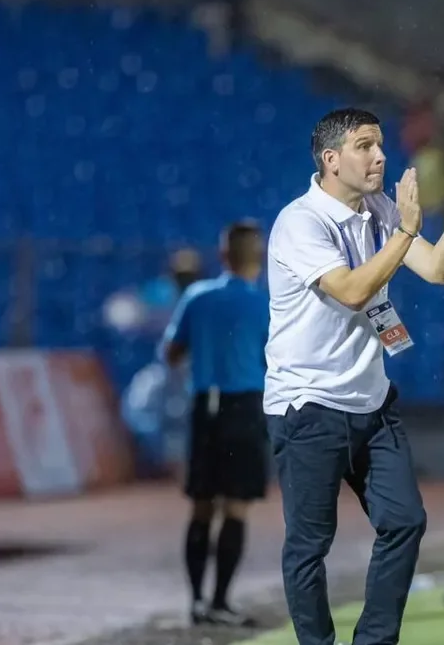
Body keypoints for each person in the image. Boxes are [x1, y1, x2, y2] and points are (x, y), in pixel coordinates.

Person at [264, 107, 444, 645]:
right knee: (310, 544)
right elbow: (351, 290)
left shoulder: (379, 209)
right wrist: (406, 232)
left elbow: (438, 270)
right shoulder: (300, 221)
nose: (380, 156)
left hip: (371, 404)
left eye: (379, 145)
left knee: (405, 522)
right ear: (331, 160)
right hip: (308, 405)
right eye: (365, 146)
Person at [160, 220, 270, 627]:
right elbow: (277, 358)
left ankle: (196, 602)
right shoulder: (263, 305)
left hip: (205, 406)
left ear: (222, 255)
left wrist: (208, 350)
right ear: (257, 258)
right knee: (236, 507)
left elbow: (171, 353)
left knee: (202, 506)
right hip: (243, 407)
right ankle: (222, 601)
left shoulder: (197, 296)